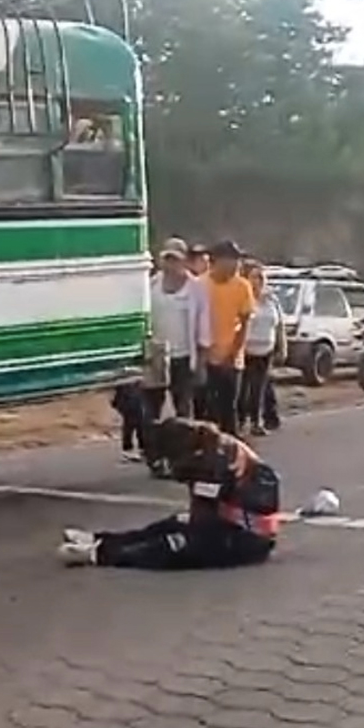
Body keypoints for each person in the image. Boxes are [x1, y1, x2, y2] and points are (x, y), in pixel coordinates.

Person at [58, 417, 280, 570]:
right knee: (170, 524)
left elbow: (203, 517)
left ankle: (97, 554)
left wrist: (185, 531)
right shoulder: (211, 444)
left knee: (171, 545)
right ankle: (99, 539)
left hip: (246, 539)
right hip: (230, 520)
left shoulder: (213, 462)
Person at [143, 238, 211, 448]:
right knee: (151, 407)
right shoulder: (153, 283)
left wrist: (201, 363)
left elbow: (203, 326)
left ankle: (185, 450)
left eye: (176, 260)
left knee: (183, 407)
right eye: (167, 259)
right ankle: (153, 451)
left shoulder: (196, 289)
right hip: (156, 355)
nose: (171, 264)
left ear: (184, 262)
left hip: (182, 356)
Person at [200, 240, 254, 435]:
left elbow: (245, 323)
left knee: (228, 409)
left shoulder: (242, 286)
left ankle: (231, 452)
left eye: (238, 261)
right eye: (232, 260)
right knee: (206, 409)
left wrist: (233, 353)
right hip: (205, 356)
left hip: (231, 358)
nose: (236, 265)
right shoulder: (201, 285)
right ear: (218, 261)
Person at [239, 258, 285, 437]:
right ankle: (241, 420)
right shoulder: (244, 298)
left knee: (259, 388)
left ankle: (257, 422)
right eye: (254, 277)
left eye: (260, 277)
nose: (258, 281)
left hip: (266, 350)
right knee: (243, 389)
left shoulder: (271, 299)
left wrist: (282, 346)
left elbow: (279, 324)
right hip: (246, 349)